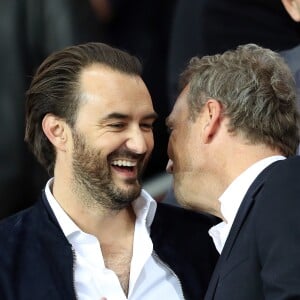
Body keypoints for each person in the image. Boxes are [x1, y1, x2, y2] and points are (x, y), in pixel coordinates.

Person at [0, 42, 218, 300]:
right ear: (58, 132)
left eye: (146, 125)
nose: (140, 144)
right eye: (117, 125)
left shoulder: (206, 239)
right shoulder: (6, 256)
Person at [166, 43, 300, 299]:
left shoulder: (287, 185)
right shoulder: (256, 214)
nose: (168, 163)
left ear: (210, 117)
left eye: (173, 130)